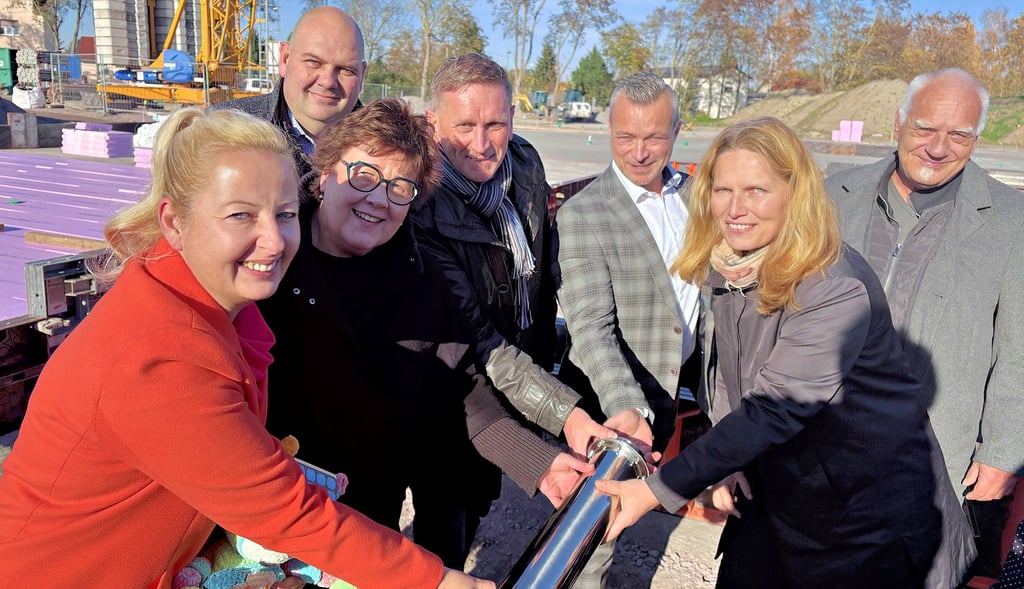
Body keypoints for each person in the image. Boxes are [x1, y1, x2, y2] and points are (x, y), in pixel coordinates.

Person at [0, 107, 489, 589]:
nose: (273, 241)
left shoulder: (209, 306)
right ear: (174, 221)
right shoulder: (157, 355)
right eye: (241, 215)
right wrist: (436, 580)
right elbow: (286, 512)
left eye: (284, 214)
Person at [597, 116, 964, 589]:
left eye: (756, 190)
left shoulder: (833, 288)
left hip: (860, 520)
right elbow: (731, 375)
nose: (734, 208)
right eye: (722, 190)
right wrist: (726, 462)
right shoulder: (734, 265)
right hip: (781, 490)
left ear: (795, 194)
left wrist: (656, 489)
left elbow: (772, 410)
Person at [258, 97, 592, 569]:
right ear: (326, 171)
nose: (378, 199)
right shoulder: (270, 265)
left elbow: (462, 393)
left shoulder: (422, 280)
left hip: (367, 532)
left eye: (400, 187)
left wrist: (538, 461)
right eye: (364, 175)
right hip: (267, 527)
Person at [826, 68, 1023, 578]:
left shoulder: (1012, 220)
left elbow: (1019, 346)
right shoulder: (832, 195)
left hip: (926, 458)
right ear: (897, 124)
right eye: (924, 129)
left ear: (977, 138)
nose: (938, 148)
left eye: (959, 135)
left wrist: (1004, 449)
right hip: (817, 442)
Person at [411, 53, 611, 457]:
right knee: (454, 509)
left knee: (485, 499)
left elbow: (544, 276)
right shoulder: (420, 205)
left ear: (513, 117)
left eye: (495, 124)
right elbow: (476, 337)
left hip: (525, 371)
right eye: (464, 126)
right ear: (434, 123)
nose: (481, 145)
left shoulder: (524, 162)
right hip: (461, 392)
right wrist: (563, 413)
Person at [553, 71, 701, 588]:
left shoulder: (696, 199)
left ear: (678, 131)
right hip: (608, 404)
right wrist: (626, 407)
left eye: (654, 137)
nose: (639, 152)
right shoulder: (584, 213)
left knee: (628, 516)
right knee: (591, 538)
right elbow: (590, 327)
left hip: (669, 396)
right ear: (608, 130)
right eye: (625, 137)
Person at [212, 6, 366, 203]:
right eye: (313, 62)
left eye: (345, 70)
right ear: (285, 59)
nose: (328, 81)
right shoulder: (218, 132)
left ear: (362, 75)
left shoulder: (388, 151)